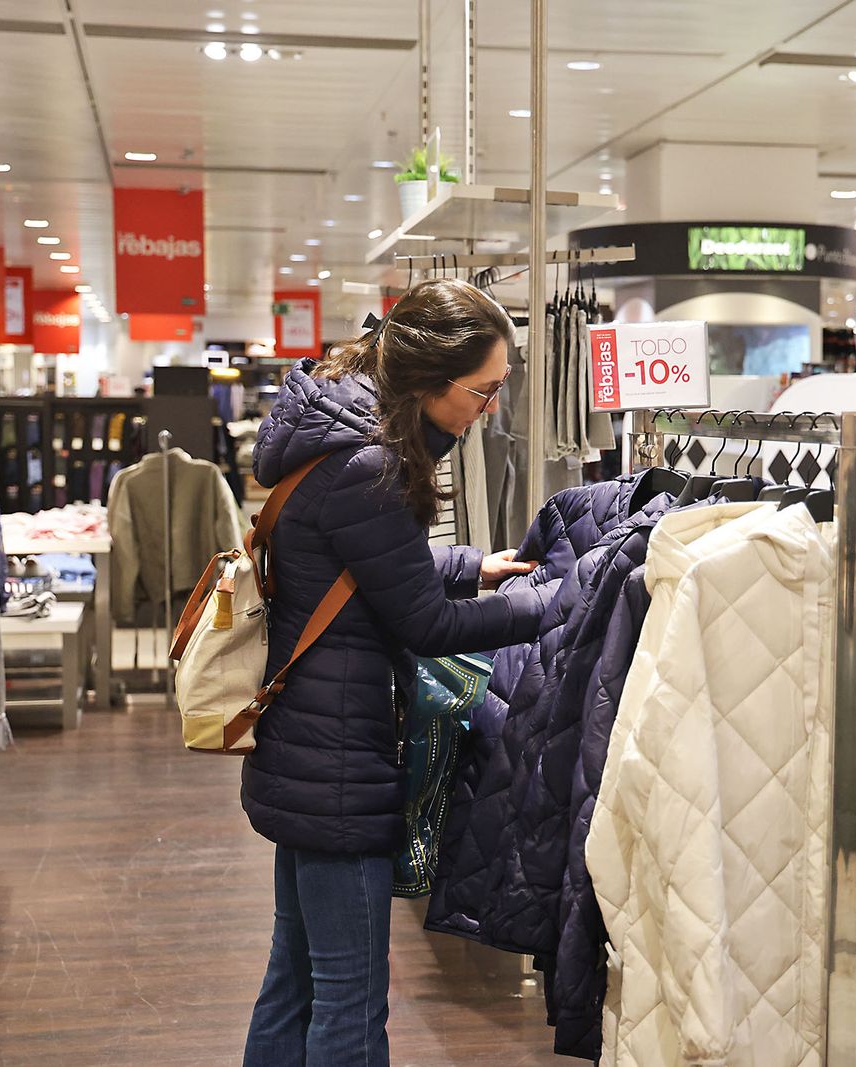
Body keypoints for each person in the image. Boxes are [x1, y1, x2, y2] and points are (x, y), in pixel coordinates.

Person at [240, 279, 551, 1066]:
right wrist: (550, 602)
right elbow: (423, 624)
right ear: (429, 381)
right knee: (350, 1001)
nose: (487, 412)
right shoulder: (371, 465)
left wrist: (472, 565)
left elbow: (364, 568)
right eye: (482, 392)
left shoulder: (340, 431)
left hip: (305, 744)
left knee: (297, 981)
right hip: (340, 763)